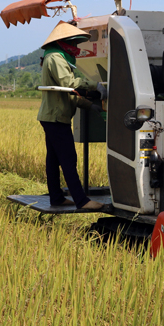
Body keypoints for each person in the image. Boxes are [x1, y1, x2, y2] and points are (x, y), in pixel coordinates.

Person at [37, 21, 107, 210]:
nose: (75, 48)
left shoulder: (56, 56)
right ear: (63, 42)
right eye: (73, 43)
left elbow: (67, 94)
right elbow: (68, 83)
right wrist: (95, 85)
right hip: (56, 117)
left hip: (53, 115)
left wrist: (90, 106)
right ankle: (82, 201)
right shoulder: (55, 58)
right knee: (68, 158)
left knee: (53, 159)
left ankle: (56, 198)